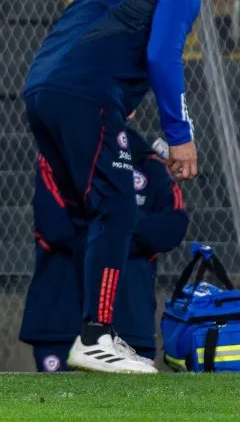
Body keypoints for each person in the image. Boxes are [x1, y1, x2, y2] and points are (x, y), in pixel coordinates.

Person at [22, 0, 222, 374]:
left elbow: (89, 37)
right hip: (85, 96)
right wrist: (180, 134)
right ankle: (95, 337)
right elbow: (162, 56)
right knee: (117, 204)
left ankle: (92, 334)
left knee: (94, 212)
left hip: (42, 90)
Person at [20, 127, 190, 371]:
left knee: (131, 409)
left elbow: (173, 226)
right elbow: (57, 228)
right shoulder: (55, 155)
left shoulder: (150, 164)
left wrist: (111, 225)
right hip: (62, 319)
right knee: (59, 408)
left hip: (132, 323)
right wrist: (124, 229)